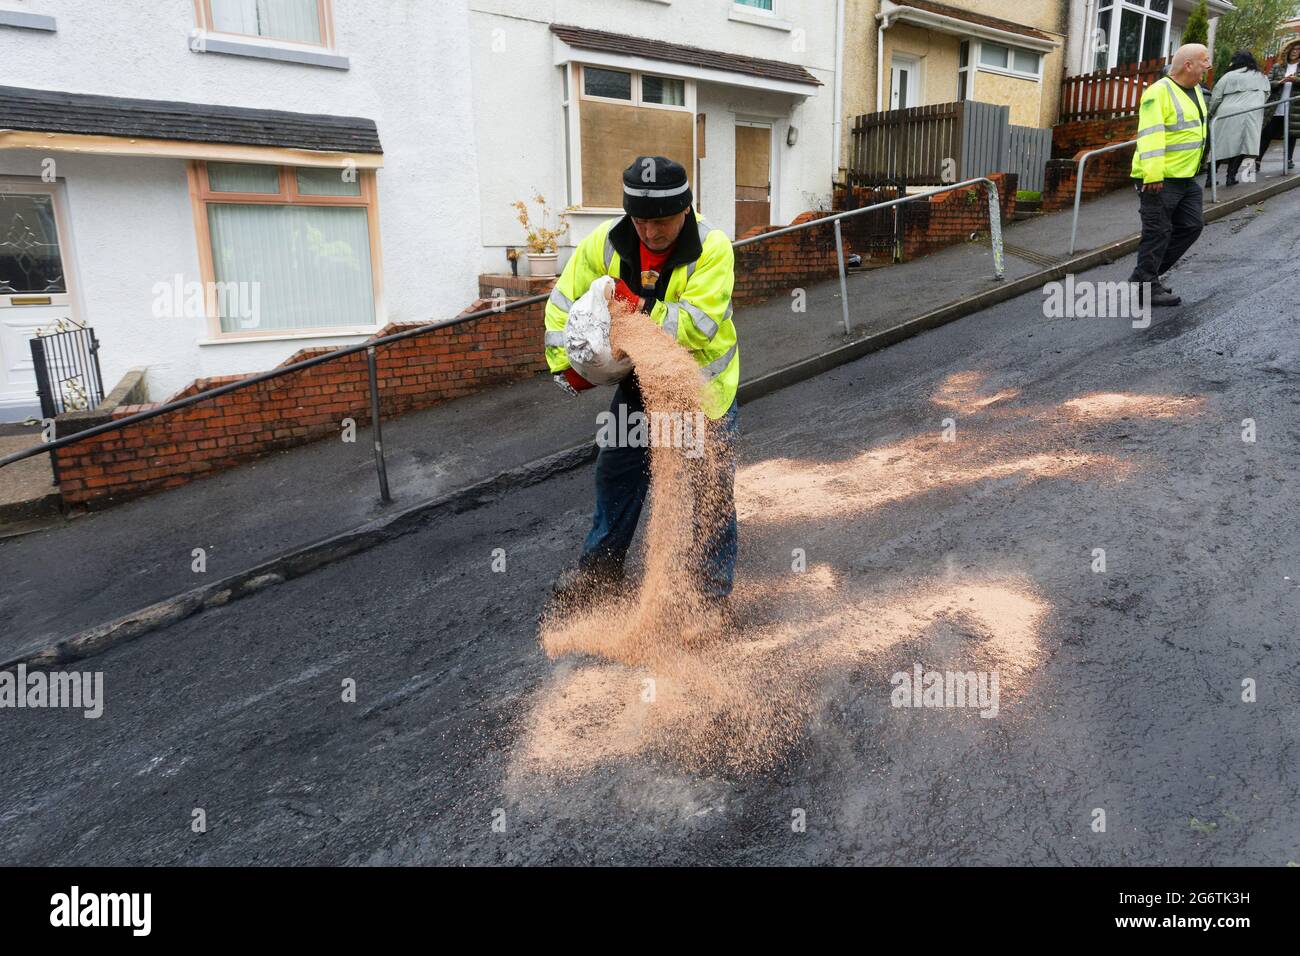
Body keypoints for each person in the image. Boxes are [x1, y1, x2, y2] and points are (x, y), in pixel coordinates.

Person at [542, 156, 740, 615]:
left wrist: (633, 311)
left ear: (686, 210)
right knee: (616, 476)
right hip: (639, 389)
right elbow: (561, 305)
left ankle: (710, 597)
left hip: (700, 394)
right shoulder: (604, 243)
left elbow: (698, 327)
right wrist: (565, 367)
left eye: (663, 222)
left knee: (710, 494)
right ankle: (599, 576)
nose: (650, 233)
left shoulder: (712, 247)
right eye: (641, 221)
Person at [1129, 44, 1212, 308]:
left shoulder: (1196, 91)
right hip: (1159, 179)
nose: (1208, 66)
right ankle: (1147, 286)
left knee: (1191, 226)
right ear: (1188, 65)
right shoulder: (1159, 92)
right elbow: (1151, 135)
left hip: (1185, 178)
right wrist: (1153, 175)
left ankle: (1144, 276)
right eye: (1204, 61)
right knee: (1158, 233)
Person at [1210, 51, 1271, 186]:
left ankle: (1210, 178)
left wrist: (1210, 113)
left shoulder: (1228, 76)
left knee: (1219, 145)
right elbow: (1266, 95)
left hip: (1226, 114)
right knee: (1242, 146)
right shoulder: (1261, 77)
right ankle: (1231, 177)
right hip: (1252, 114)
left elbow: (1216, 97)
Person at [1259, 39, 1300, 172]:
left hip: (1294, 108)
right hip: (1276, 107)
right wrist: (1280, 82)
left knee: (1291, 134)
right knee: (1267, 133)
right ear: (1287, 51)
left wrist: (1296, 80)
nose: (1294, 52)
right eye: (1292, 49)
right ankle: (1257, 160)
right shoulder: (1278, 66)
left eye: (1298, 49)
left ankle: (1288, 160)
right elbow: (1267, 83)